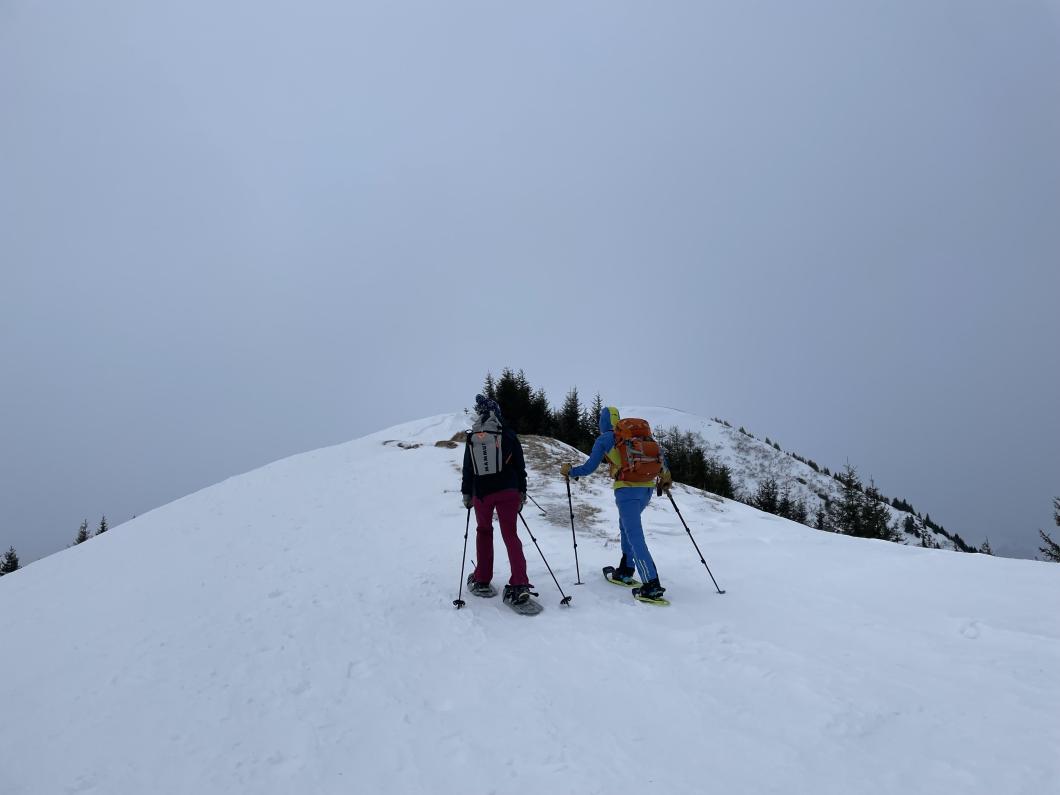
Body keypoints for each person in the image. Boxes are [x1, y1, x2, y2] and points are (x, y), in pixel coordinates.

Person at [562, 406, 673, 600]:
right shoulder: (637, 436)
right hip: (647, 490)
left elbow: (590, 467)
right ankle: (625, 570)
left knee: (634, 535)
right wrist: (665, 477)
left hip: (627, 491)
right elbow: (661, 458)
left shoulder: (605, 439)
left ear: (602, 421)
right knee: (626, 527)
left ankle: (651, 584)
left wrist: (571, 471)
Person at [461, 395, 533, 605]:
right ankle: (520, 584)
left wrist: (467, 494)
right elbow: (520, 466)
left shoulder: (474, 436)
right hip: (508, 490)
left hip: (482, 493)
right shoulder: (508, 434)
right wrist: (521, 491)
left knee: (484, 532)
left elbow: (468, 468)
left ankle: (482, 579)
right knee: (510, 535)